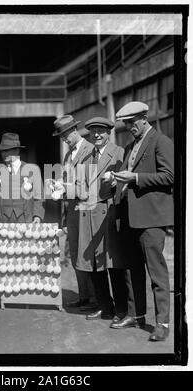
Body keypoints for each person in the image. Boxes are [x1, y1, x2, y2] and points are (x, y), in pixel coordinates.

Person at [110, 101, 174, 342]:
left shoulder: (161, 141)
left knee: (156, 273)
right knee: (131, 270)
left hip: (151, 218)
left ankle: (163, 323)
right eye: (126, 124)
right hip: (130, 217)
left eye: (132, 122)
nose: (129, 127)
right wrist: (117, 179)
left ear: (144, 118)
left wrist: (135, 177)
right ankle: (137, 315)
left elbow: (169, 176)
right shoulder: (130, 147)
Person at [76, 117, 129, 323]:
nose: (96, 135)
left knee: (113, 263)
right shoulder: (87, 157)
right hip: (89, 213)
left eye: (101, 131)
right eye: (93, 132)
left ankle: (121, 310)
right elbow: (81, 186)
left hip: (109, 212)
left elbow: (126, 182)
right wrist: (66, 189)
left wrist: (116, 181)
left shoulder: (118, 153)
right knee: (94, 265)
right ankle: (104, 306)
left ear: (108, 132)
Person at [52, 115, 98, 312]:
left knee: (88, 254)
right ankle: (84, 296)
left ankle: (97, 298)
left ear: (73, 131)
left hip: (87, 209)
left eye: (65, 136)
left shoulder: (90, 150)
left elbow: (87, 187)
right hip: (72, 211)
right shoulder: (68, 155)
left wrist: (64, 188)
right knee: (75, 254)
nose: (64, 140)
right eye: (62, 137)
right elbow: (68, 185)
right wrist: (58, 187)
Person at [0, 132, 45, 227]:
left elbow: (39, 199)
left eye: (7, 150)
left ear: (17, 150)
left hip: (26, 222)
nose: (4, 153)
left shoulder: (32, 170)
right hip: (2, 224)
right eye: (2, 151)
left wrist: (37, 216)